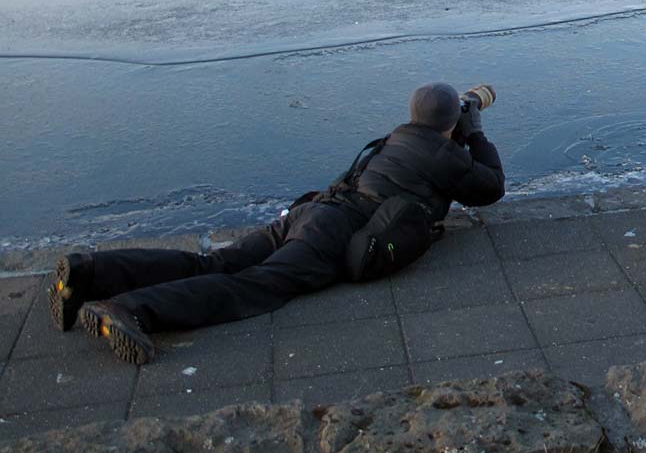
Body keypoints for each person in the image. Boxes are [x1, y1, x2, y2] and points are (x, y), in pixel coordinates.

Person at [47, 82, 506, 364]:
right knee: (254, 286)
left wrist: (457, 130)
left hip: (311, 212)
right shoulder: (443, 154)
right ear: (451, 124)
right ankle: (131, 310)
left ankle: (92, 271)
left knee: (213, 263)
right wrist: (477, 132)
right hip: (335, 232)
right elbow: (490, 188)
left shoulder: (397, 137)